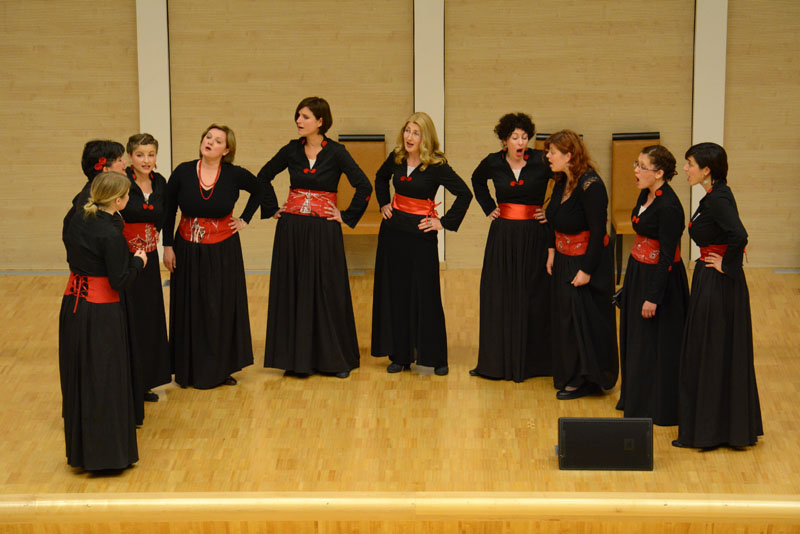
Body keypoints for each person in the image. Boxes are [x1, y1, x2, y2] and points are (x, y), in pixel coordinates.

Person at [259, 96, 372, 379]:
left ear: (320, 122)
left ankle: (334, 359)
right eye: (298, 115)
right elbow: (263, 176)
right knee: (294, 289)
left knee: (326, 288)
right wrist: (273, 209)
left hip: (323, 229)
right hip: (292, 229)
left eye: (305, 116)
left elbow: (364, 186)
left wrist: (345, 216)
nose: (299, 121)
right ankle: (296, 360)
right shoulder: (291, 150)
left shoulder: (336, 152)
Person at [673, 142, 762, 449]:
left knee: (710, 349)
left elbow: (739, 234)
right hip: (709, 278)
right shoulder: (713, 194)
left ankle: (710, 431)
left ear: (706, 169)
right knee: (711, 349)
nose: (685, 169)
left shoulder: (718, 198)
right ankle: (713, 427)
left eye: (689, 164)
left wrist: (727, 264)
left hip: (718, 283)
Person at [371, 112, 473, 376]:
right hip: (393, 233)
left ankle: (436, 357)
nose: (409, 137)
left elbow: (464, 193)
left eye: (415, 132)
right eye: (407, 130)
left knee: (426, 294)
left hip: (421, 236)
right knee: (398, 293)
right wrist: (384, 203)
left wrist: (443, 222)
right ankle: (400, 356)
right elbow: (380, 179)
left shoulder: (437, 165)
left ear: (425, 137)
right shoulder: (395, 157)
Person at [162, 124, 263, 389]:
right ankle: (187, 370)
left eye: (218, 140)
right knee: (190, 307)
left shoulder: (233, 174)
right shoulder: (183, 171)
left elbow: (261, 189)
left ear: (226, 150)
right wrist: (168, 246)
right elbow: (169, 209)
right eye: (208, 137)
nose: (210, 142)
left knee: (218, 308)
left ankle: (220, 369)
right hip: (186, 248)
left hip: (223, 251)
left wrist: (245, 219)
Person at [59, 171, 146, 471]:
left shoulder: (76, 219)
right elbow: (120, 280)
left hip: (73, 305)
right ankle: (106, 456)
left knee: (82, 376)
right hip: (101, 313)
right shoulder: (110, 235)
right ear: (119, 200)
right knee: (104, 379)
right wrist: (138, 260)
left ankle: (82, 453)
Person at [470, 112, 553, 382]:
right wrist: (488, 208)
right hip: (503, 235)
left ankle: (535, 362)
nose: (521, 142)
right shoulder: (493, 162)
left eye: (525, 137)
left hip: (534, 235)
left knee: (534, 294)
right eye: (515, 137)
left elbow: (565, 182)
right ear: (504, 140)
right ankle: (497, 361)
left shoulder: (542, 161)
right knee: (500, 294)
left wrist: (549, 211)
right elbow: (476, 180)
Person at [616, 145, 689, 425]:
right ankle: (636, 398)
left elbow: (667, 258)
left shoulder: (669, 206)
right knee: (636, 339)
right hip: (639, 271)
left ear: (659, 173)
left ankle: (657, 406)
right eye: (636, 163)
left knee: (655, 344)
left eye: (642, 166)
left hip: (660, 282)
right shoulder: (646, 194)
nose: (635, 170)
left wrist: (653, 297)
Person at [543, 130, 617, 399]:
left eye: (552, 152)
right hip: (564, 259)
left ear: (569, 155)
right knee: (565, 321)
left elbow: (599, 233)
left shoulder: (591, 185)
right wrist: (552, 251)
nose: (548, 156)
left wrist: (586, 270)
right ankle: (569, 374)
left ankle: (585, 378)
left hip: (587, 263)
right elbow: (553, 218)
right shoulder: (563, 180)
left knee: (583, 321)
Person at [120, 133, 170, 423]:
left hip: (149, 259)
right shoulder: (122, 183)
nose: (146, 160)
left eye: (151, 154)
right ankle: (128, 381)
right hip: (127, 260)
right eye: (140, 155)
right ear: (130, 157)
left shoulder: (160, 181)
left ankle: (146, 380)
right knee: (129, 317)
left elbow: (162, 215)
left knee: (150, 317)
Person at [63, 140, 127, 248]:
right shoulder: (90, 199)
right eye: (120, 160)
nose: (125, 162)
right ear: (106, 169)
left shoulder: (99, 192)